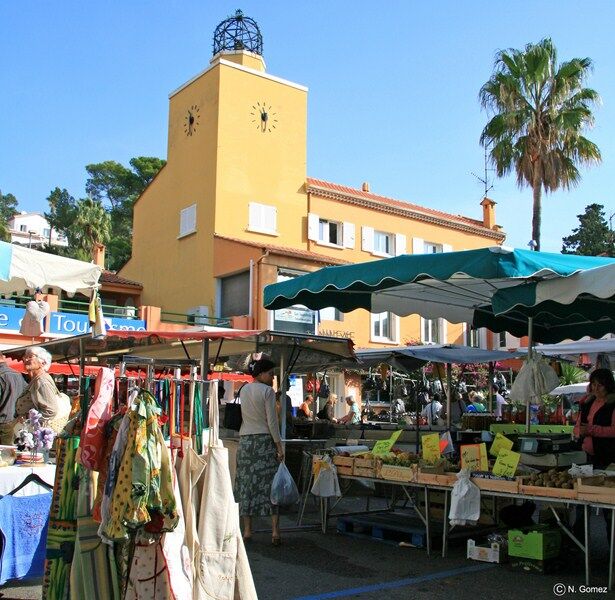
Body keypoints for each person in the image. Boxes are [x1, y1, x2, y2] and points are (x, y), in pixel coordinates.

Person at [233, 358, 284, 546]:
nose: (272, 378)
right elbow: (272, 422)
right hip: (263, 442)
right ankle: (275, 532)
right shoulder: (268, 391)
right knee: (270, 487)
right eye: (270, 374)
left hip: (246, 442)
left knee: (247, 486)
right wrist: (279, 446)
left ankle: (247, 530)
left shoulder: (244, 389)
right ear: (261, 374)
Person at [14, 347, 70, 434]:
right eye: (25, 356)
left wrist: (28, 418)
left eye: (30, 357)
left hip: (37, 434)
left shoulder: (42, 381)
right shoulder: (36, 379)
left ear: (43, 362)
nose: (25, 359)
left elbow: (50, 410)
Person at [574, 368, 615, 468]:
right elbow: (576, 428)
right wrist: (579, 431)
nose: (596, 388)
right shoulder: (587, 403)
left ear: (608, 386)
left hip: (607, 458)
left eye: (600, 385)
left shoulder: (612, 404)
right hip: (585, 457)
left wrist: (591, 430)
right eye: (593, 384)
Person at [0, 352, 27, 444]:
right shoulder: (18, 374)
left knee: (4, 455)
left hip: (2, 422)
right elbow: (26, 394)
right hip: (14, 421)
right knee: (9, 454)